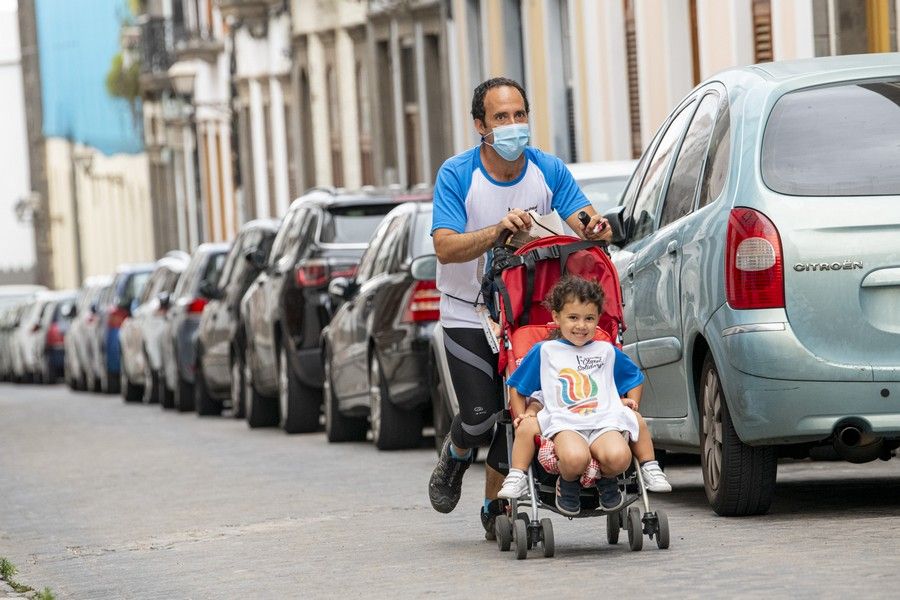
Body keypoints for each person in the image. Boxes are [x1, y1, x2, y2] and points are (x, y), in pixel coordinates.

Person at [427, 76, 611, 538]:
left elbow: (583, 221)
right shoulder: (457, 174)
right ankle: (456, 451)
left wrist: (596, 229)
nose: (514, 126)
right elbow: (445, 248)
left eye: (520, 115)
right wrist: (497, 232)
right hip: (466, 310)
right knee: (482, 417)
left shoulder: (547, 170)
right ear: (480, 127)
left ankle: (496, 507)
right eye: (501, 118)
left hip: (523, 313)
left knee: (520, 413)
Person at [497, 276, 671, 516]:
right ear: (556, 318)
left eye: (589, 318)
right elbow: (518, 387)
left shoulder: (605, 350)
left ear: (598, 318)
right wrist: (521, 416)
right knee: (575, 458)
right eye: (573, 318)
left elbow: (633, 377)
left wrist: (629, 403)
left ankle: (614, 476)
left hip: (602, 420)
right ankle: (565, 483)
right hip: (565, 422)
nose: (582, 325)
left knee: (620, 457)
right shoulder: (546, 351)